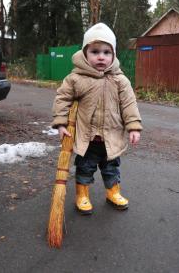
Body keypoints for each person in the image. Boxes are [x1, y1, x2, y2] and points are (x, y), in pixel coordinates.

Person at [51, 23, 142, 215]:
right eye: (95, 51)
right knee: (85, 168)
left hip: (112, 137)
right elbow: (62, 99)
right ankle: (82, 195)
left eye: (106, 52)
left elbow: (129, 104)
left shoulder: (120, 80)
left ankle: (113, 192)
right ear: (85, 53)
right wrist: (61, 123)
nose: (101, 56)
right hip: (88, 138)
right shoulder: (76, 78)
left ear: (113, 55)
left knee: (112, 169)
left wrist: (133, 127)